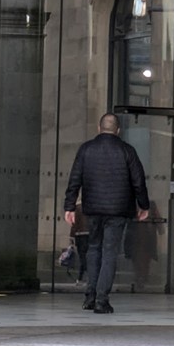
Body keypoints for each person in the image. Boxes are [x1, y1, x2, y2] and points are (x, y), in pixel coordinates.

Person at [64, 112, 150, 314]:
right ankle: (102, 299)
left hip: (92, 208)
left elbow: (75, 178)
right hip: (118, 210)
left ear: (99, 128)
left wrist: (69, 206)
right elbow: (138, 182)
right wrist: (143, 205)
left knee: (93, 249)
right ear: (118, 130)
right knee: (110, 252)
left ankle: (90, 296)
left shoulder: (86, 149)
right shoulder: (127, 151)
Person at [70, 203, 90, 284]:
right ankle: (84, 277)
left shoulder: (78, 208)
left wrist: (72, 236)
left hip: (80, 234)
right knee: (89, 256)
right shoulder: (92, 206)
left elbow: (74, 223)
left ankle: (82, 277)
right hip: (90, 234)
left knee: (82, 257)